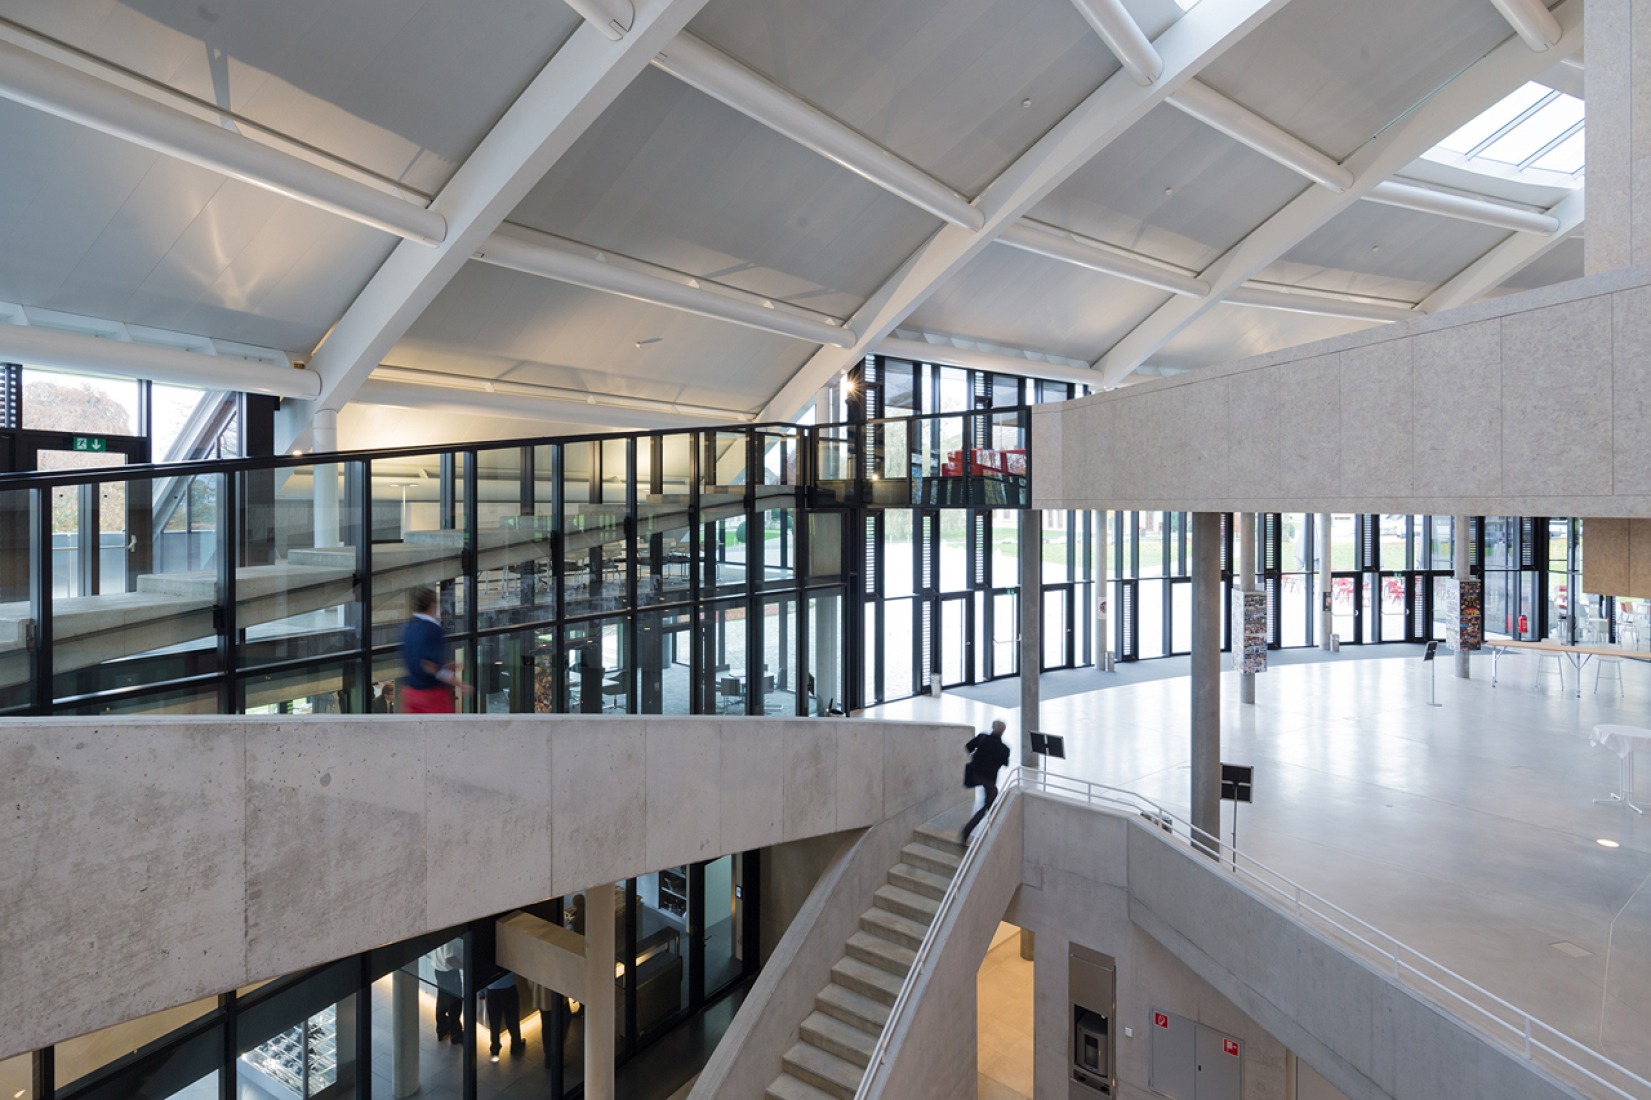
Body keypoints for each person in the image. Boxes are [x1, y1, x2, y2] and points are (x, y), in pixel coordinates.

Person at [401, 587, 472, 713]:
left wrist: (446, 667)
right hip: (432, 696)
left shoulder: (408, 627)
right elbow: (429, 665)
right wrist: (458, 682)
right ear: (432, 605)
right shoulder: (432, 629)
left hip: (410, 693)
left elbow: (418, 660)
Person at [961, 719, 1011, 844]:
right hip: (989, 780)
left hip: (976, 775)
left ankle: (993, 827)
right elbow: (1005, 763)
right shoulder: (1004, 749)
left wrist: (977, 755)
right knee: (988, 804)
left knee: (992, 801)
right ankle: (968, 831)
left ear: (992, 727)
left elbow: (968, 747)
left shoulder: (982, 738)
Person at [482, 969, 523, 1060]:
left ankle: (495, 1047)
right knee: (512, 1019)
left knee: (494, 1021)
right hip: (509, 986)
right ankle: (516, 1044)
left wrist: (480, 992)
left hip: (492, 989)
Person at [431, 939, 463, 1044]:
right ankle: (456, 1035)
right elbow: (450, 960)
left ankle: (442, 1030)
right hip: (449, 974)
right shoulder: (450, 938)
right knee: (454, 1005)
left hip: (438, 970)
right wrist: (465, 966)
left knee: (442, 1001)